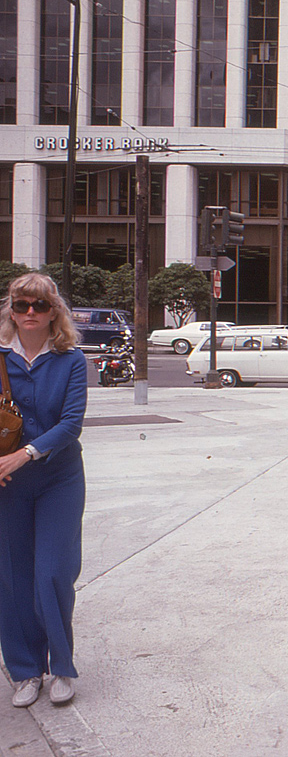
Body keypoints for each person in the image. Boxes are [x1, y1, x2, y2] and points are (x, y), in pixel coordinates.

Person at [0, 273, 89, 708]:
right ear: (11, 311)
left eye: (38, 305)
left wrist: (27, 453)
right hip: (7, 483)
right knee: (13, 578)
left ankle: (61, 667)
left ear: (54, 311)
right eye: (21, 306)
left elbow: (71, 423)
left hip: (58, 478)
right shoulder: (0, 357)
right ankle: (25, 670)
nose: (29, 314)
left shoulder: (70, 359)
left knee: (52, 572)